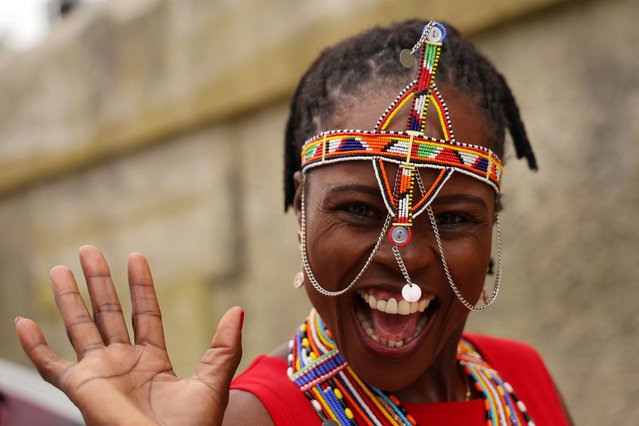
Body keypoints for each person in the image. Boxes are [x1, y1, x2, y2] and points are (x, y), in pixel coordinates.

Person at [15, 19, 572, 425]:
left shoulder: (522, 381)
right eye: (359, 210)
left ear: (492, 232)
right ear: (301, 214)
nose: (407, 257)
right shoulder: (255, 417)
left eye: (452, 219)